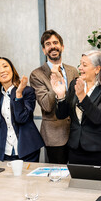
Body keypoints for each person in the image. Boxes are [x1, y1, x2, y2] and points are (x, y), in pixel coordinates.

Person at [51, 50, 101, 167]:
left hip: (99, 150)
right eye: (80, 64)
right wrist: (60, 96)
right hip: (76, 149)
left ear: (97, 69)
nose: (80, 68)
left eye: (84, 65)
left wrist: (82, 96)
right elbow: (62, 115)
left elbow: (98, 117)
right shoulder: (74, 84)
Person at [30, 29, 79, 164]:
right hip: (54, 136)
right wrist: (56, 84)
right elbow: (46, 105)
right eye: (48, 44)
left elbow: (77, 100)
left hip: (76, 133)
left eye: (55, 42)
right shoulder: (36, 75)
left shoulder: (73, 70)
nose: (52, 46)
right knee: (58, 177)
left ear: (62, 47)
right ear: (44, 50)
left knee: (77, 174)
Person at [0, 57, 44, 162]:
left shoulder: (27, 91)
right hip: (5, 150)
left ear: (12, 70)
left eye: (5, 66)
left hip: (27, 149)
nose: (2, 70)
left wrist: (18, 95)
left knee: (27, 178)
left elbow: (22, 118)